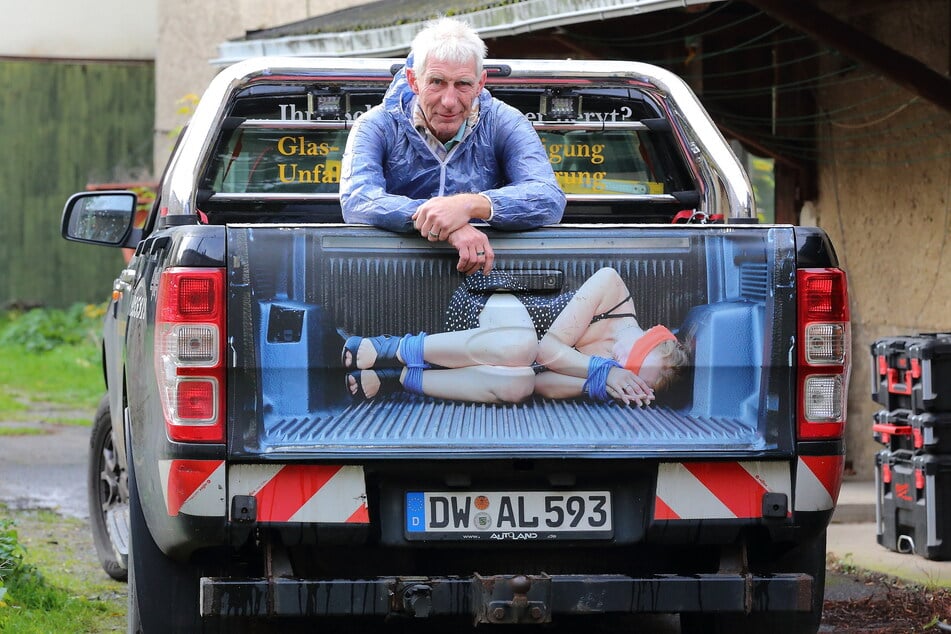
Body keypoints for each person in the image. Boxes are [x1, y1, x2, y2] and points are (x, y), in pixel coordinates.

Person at [339, 17, 566, 277]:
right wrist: (446, 222)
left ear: (480, 84)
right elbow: (358, 199)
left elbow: (547, 197)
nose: (449, 101)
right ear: (414, 81)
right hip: (392, 275)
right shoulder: (376, 125)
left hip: (489, 279)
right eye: (437, 82)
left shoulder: (505, 122)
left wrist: (469, 205)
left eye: (463, 84)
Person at [341, 268, 688, 405]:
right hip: (489, 306)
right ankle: (393, 348)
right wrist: (603, 371)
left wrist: (600, 384)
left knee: (518, 386)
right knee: (523, 346)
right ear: (654, 336)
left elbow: (542, 384)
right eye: (634, 360)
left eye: (630, 377)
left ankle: (401, 379)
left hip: (499, 368)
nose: (621, 364)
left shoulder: (607, 372)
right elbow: (547, 350)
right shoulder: (613, 289)